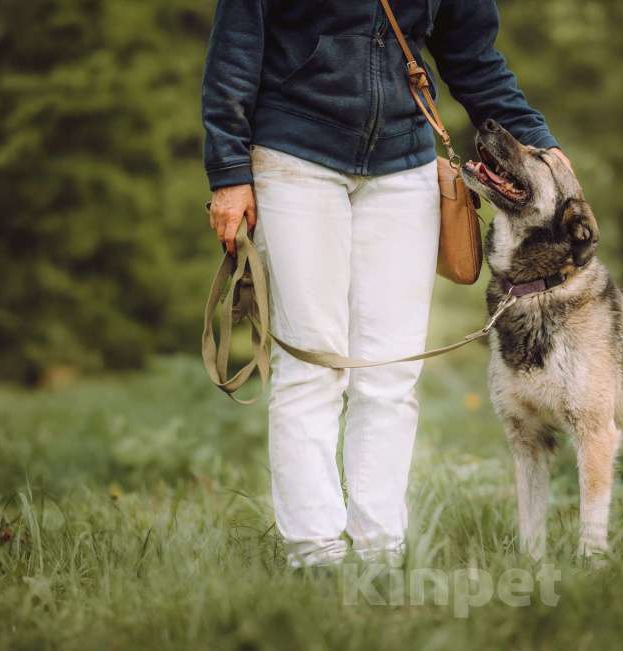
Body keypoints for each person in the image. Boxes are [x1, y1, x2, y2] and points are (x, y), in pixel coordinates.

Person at [202, 0, 568, 568]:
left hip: (406, 164)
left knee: (393, 372)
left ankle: (381, 553)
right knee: (313, 364)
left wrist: (538, 141)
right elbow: (235, 47)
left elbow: (473, 58)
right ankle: (316, 555)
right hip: (296, 154)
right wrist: (228, 171)